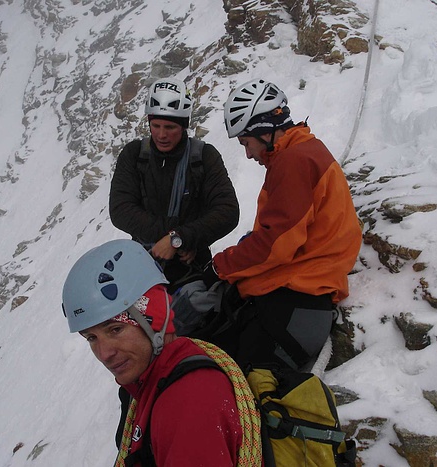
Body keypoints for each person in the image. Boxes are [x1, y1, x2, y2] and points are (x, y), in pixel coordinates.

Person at [206, 79, 362, 371]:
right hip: (304, 289)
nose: (249, 153)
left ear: (264, 131)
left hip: (299, 297)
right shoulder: (305, 151)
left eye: (246, 143)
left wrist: (220, 267)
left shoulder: (294, 162)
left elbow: (274, 245)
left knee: (225, 372)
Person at [61, 239, 247, 466]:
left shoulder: (188, 403)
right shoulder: (147, 383)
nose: (104, 353)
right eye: (91, 338)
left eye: (115, 329)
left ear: (155, 318)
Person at [109, 77, 239, 294]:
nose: (161, 134)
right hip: (146, 267)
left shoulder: (204, 157)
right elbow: (120, 209)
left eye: (170, 127)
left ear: (184, 125)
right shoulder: (133, 155)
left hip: (192, 270)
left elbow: (227, 211)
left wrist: (179, 239)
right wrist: (176, 239)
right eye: (155, 126)